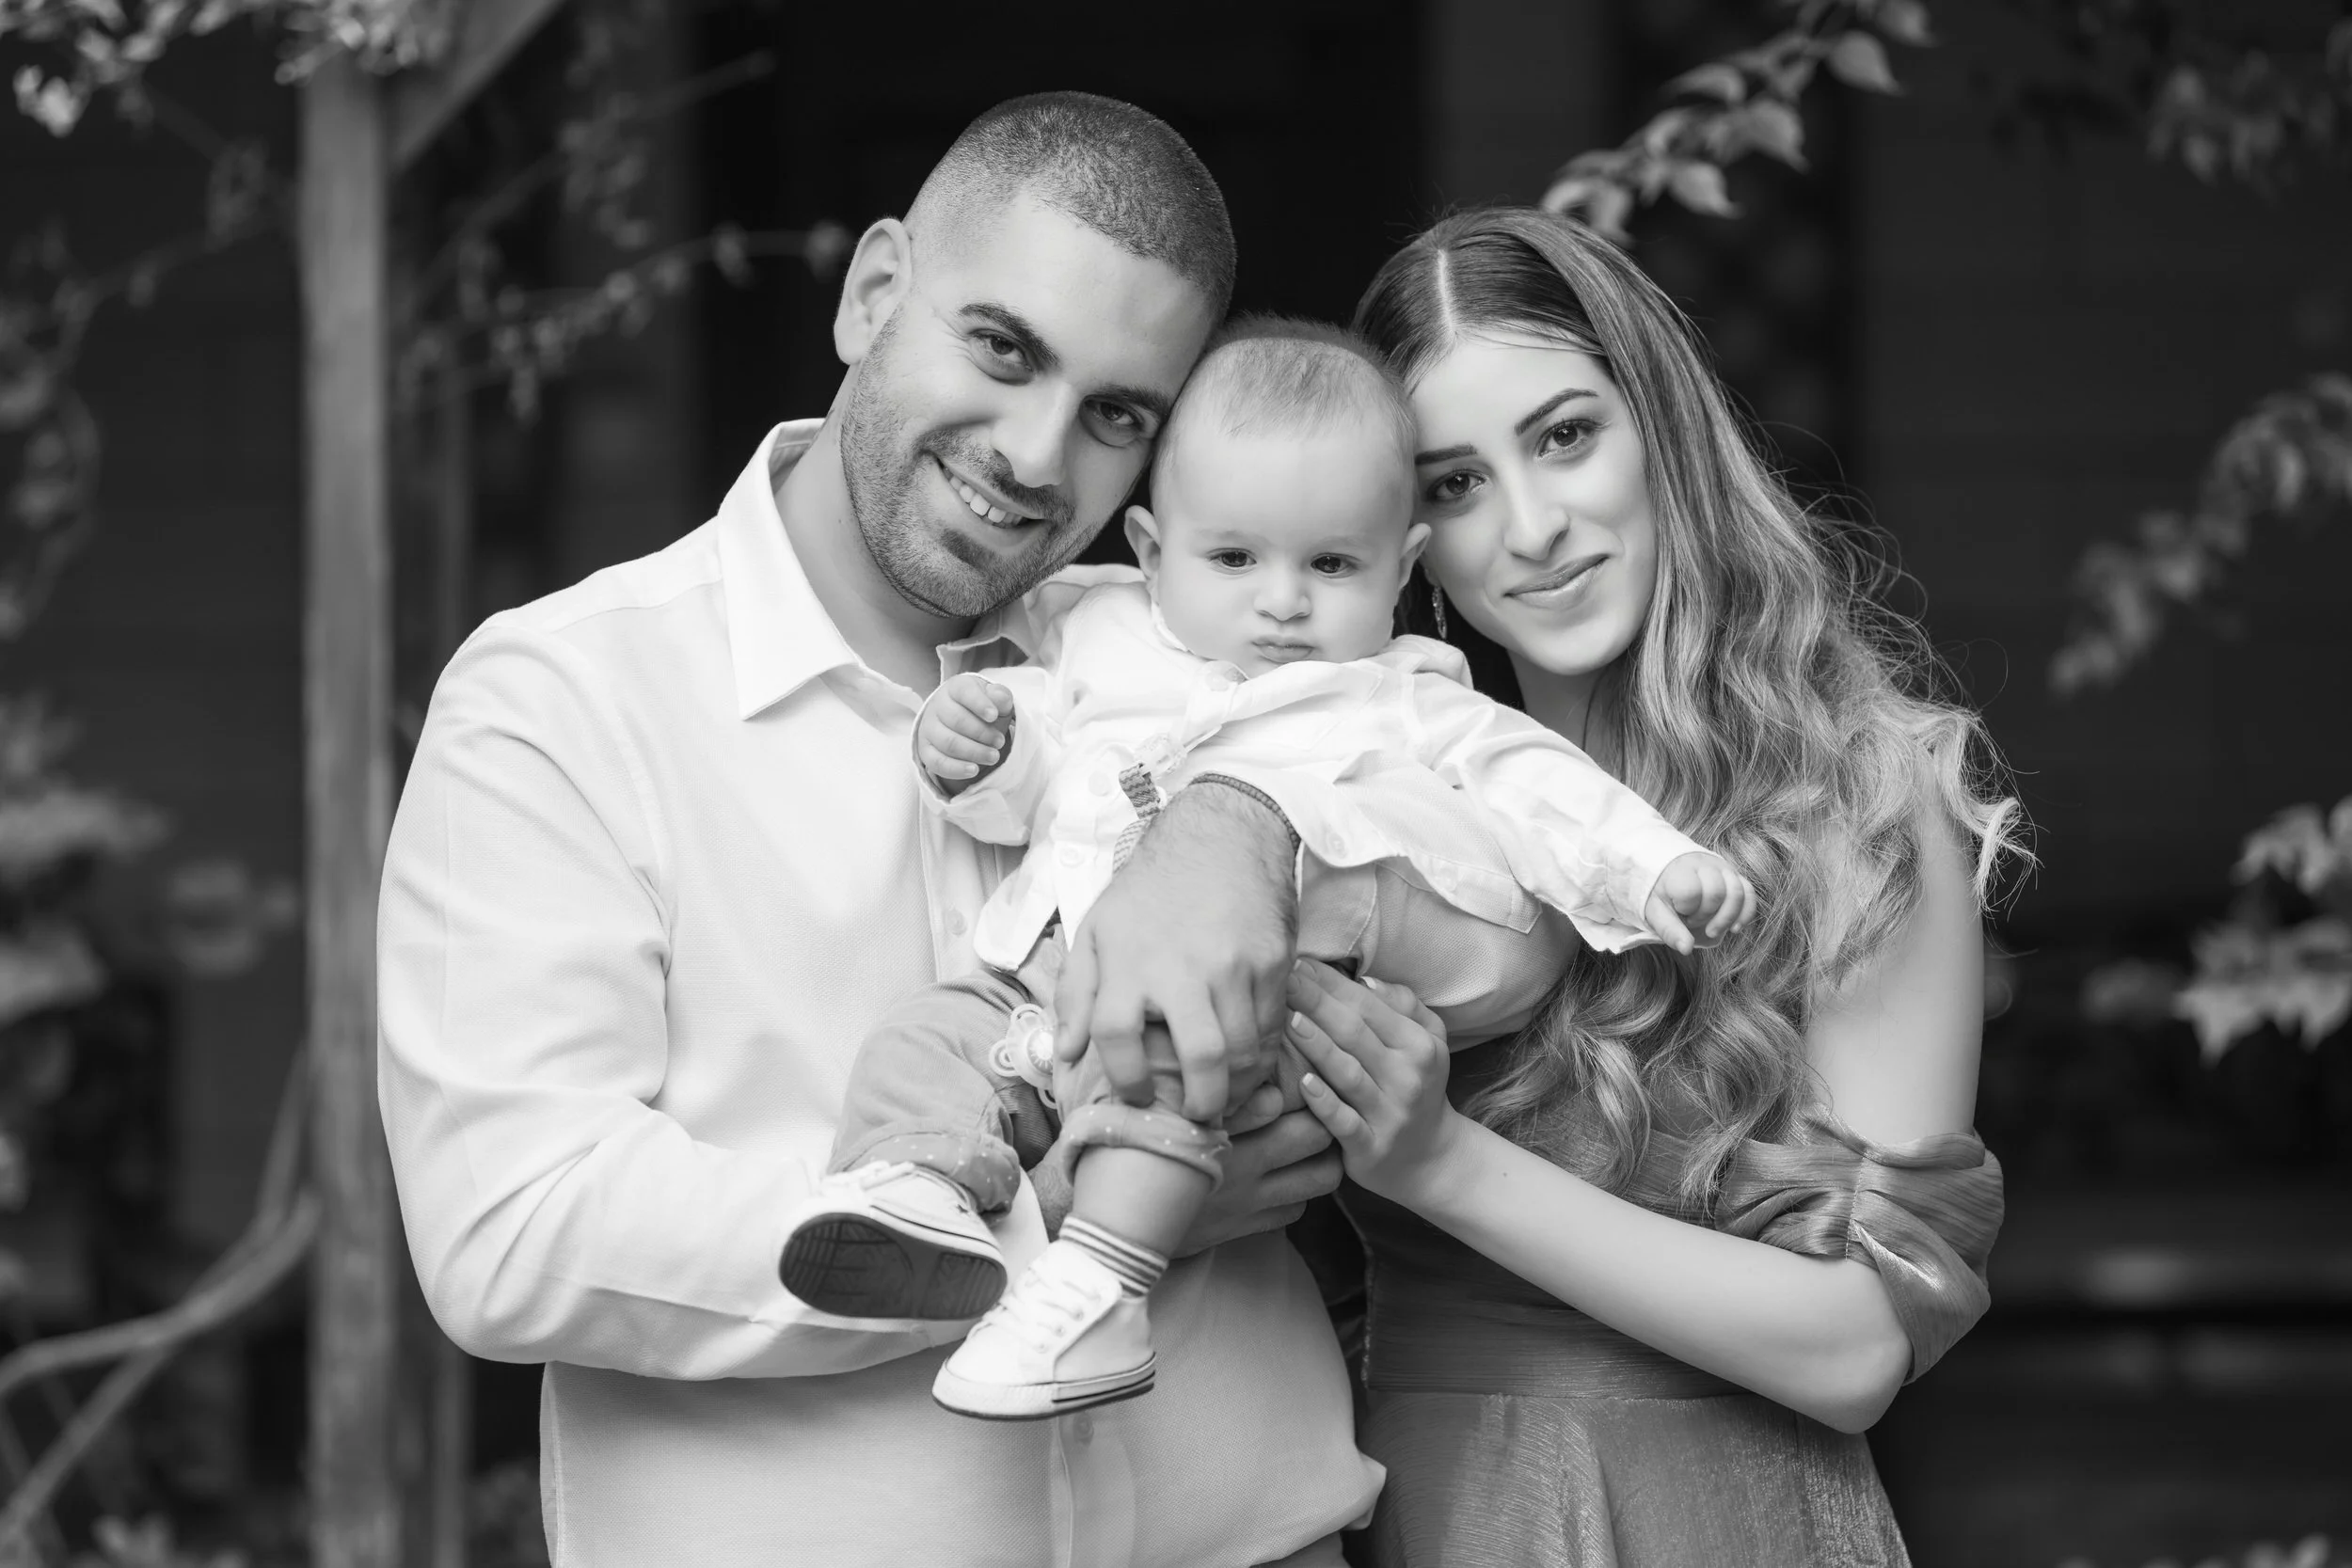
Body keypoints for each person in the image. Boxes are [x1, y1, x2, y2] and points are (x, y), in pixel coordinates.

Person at [377, 97, 1553, 1568]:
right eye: (1003, 349)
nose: (1036, 454)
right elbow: (512, 1229)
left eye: (1118, 415)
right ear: (875, 292)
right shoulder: (568, 694)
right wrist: (1057, 1229)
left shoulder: (1213, 647)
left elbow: (1522, 934)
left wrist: (1255, 828)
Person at [776, 317, 1755, 1423]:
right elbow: (1038, 778)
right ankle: (916, 1188)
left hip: (1230, 1007)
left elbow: (1532, 781)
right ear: (1151, 551)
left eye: (1331, 564)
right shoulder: (1101, 641)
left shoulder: (1402, 695)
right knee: (919, 1039)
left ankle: (1099, 1285)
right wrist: (981, 751)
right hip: (1037, 976)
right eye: (1234, 558)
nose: (1282, 600)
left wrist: (1655, 864)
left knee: (1166, 1080)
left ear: (1401, 567)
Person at [1279, 207, 2025, 1566]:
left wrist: (1440, 1162)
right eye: (1456, 483)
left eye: (1565, 436)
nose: (1533, 526)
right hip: (1407, 1504)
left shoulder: (1855, 796)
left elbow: (1861, 1344)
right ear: (1404, 534)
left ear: (1659, 426)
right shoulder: (1378, 800)